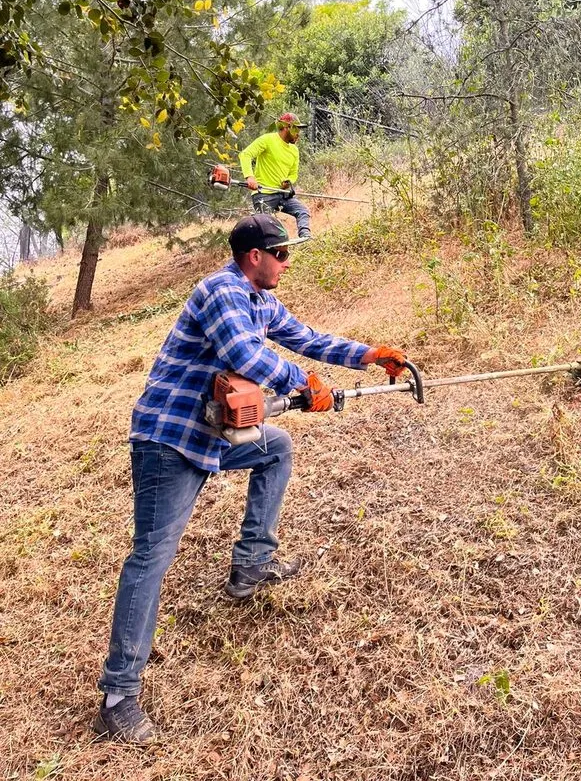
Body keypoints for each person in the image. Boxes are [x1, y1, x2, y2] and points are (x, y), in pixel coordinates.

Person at [93, 213, 407, 745]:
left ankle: (252, 566)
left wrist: (368, 355)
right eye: (280, 254)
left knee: (275, 448)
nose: (286, 263)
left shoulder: (260, 299)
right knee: (151, 557)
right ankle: (118, 696)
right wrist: (303, 383)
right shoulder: (222, 291)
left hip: (211, 435)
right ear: (253, 256)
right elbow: (243, 354)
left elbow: (304, 337)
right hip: (170, 439)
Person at [238, 112, 312, 240]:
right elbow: (245, 155)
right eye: (296, 129)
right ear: (286, 127)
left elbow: (293, 173)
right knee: (267, 226)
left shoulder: (294, 150)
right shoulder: (267, 140)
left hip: (282, 194)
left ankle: (305, 237)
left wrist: (289, 181)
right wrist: (250, 177)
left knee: (302, 211)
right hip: (263, 193)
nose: (298, 133)